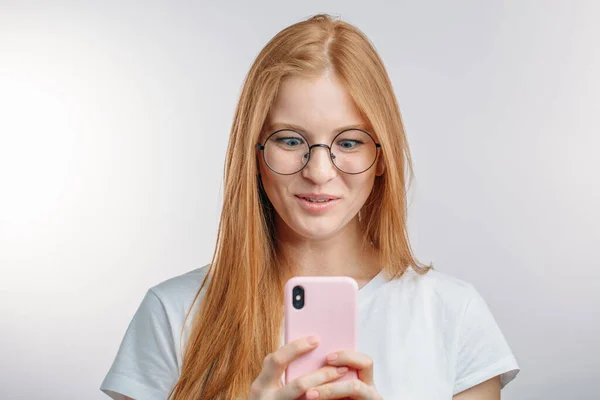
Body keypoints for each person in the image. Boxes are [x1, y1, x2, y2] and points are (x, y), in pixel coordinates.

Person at [100, 13, 520, 400]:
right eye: (290, 139)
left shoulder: (453, 313)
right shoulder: (172, 313)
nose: (319, 171)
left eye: (349, 141)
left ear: (382, 156)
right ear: (255, 153)